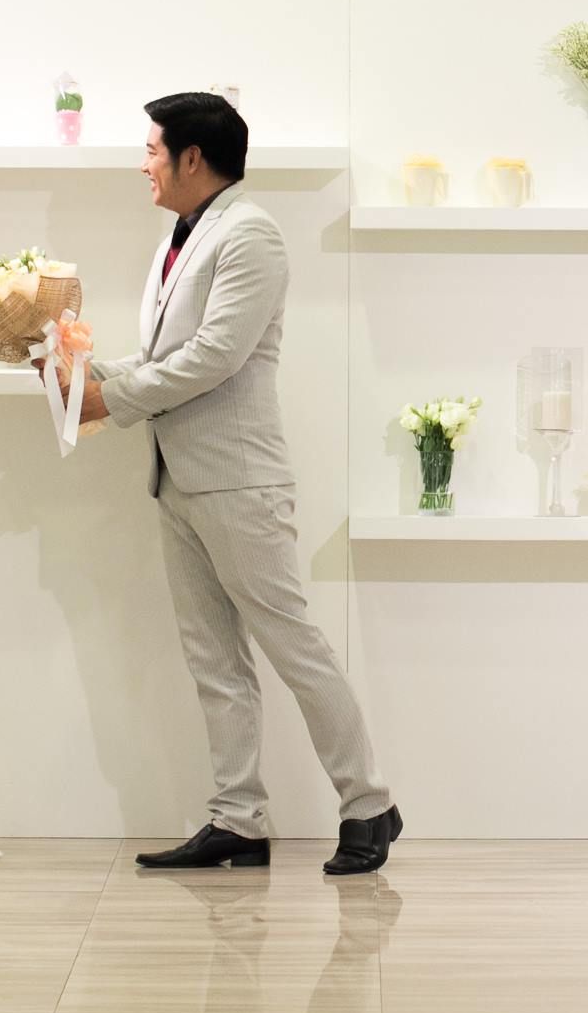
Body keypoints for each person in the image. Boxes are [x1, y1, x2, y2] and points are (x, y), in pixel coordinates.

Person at [73, 93, 399, 875]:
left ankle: (368, 806)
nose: (143, 165)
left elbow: (216, 356)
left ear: (191, 157)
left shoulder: (250, 233)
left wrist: (108, 399)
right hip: (176, 479)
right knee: (213, 659)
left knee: (293, 646)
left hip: (237, 482)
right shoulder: (177, 238)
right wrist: (76, 372)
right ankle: (237, 819)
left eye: (151, 150)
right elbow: (164, 357)